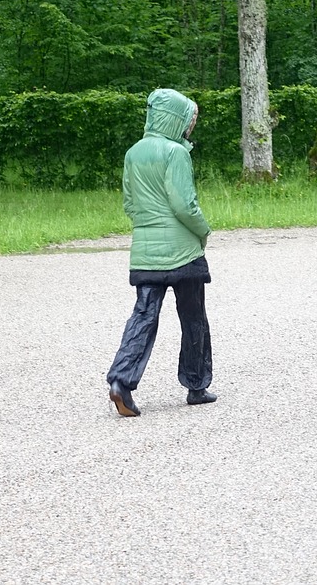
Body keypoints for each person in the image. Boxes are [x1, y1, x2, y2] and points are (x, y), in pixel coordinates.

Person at [106, 88, 215, 417]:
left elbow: (129, 203)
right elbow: (185, 204)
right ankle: (196, 385)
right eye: (187, 120)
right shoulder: (176, 153)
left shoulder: (133, 153)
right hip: (183, 250)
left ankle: (121, 381)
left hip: (145, 250)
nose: (189, 127)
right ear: (175, 120)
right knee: (193, 316)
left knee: (143, 315)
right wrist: (203, 230)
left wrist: (147, 228)